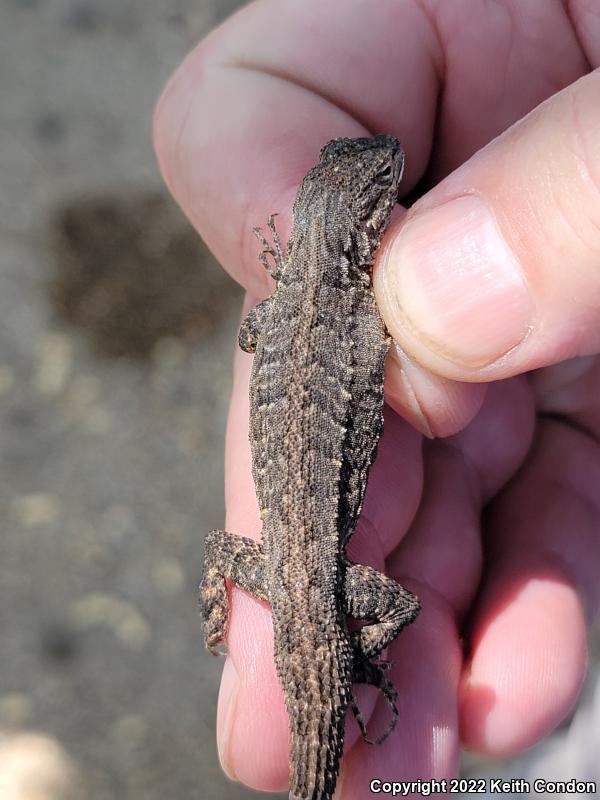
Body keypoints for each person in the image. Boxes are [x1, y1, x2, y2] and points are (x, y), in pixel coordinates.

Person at [153, 1, 600, 795]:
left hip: (295, 571)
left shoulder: (286, 296)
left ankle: (281, 656)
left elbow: (259, 344)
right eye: (378, 181)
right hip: (310, 579)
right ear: (362, 230)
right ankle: (350, 674)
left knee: (363, 629)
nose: (393, 163)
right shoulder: (366, 314)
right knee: (383, 623)